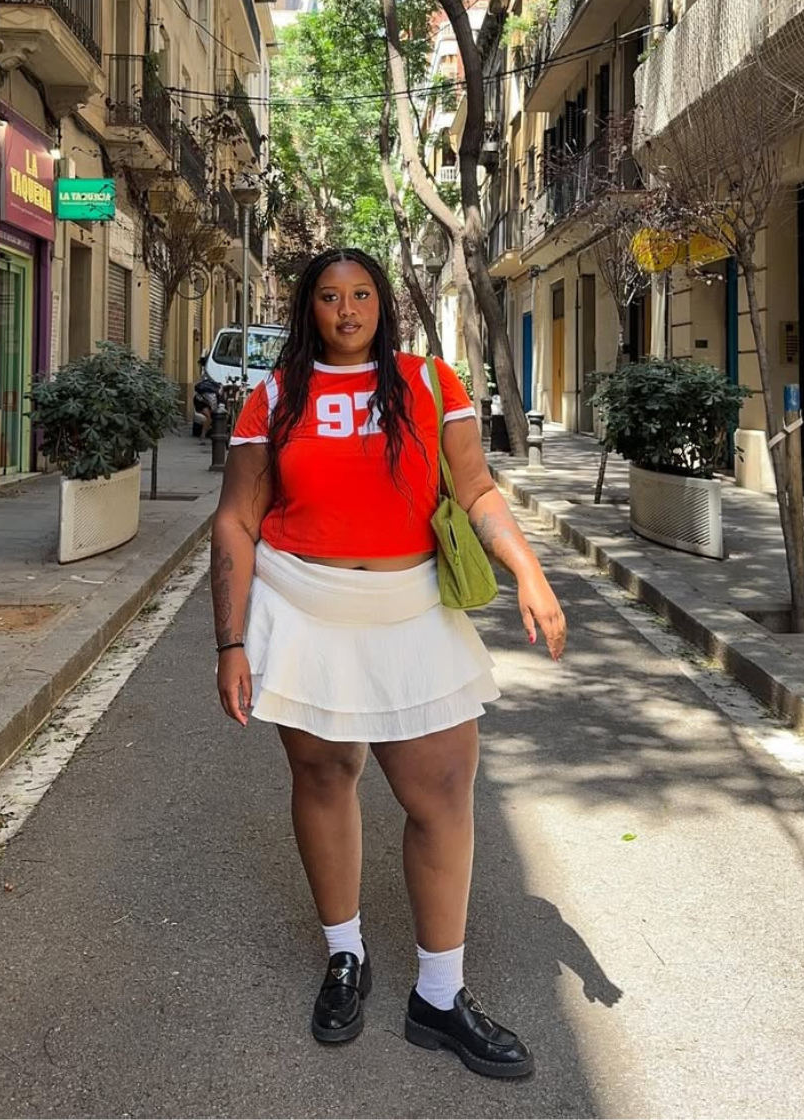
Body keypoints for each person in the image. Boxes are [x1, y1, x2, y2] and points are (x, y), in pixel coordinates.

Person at [210, 248, 566, 1079]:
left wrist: (529, 571)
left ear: (381, 304)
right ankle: (345, 954)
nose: (346, 309)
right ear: (309, 309)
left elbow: (476, 489)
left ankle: (440, 996)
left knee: (440, 792)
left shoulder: (429, 384)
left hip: (412, 610)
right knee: (325, 775)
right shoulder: (273, 397)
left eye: (361, 294)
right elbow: (236, 520)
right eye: (329, 297)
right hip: (302, 609)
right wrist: (231, 640)